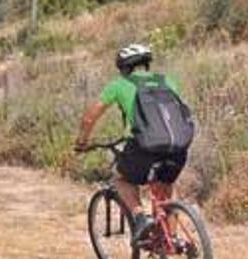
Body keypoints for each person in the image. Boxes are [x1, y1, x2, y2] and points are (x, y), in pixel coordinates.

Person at [75, 43, 190, 240]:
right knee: (166, 184)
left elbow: (89, 118)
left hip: (143, 145)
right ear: (146, 64)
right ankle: (172, 239)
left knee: (121, 178)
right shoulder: (167, 81)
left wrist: (82, 142)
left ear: (123, 68)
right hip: (177, 145)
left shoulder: (119, 84)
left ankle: (140, 217)